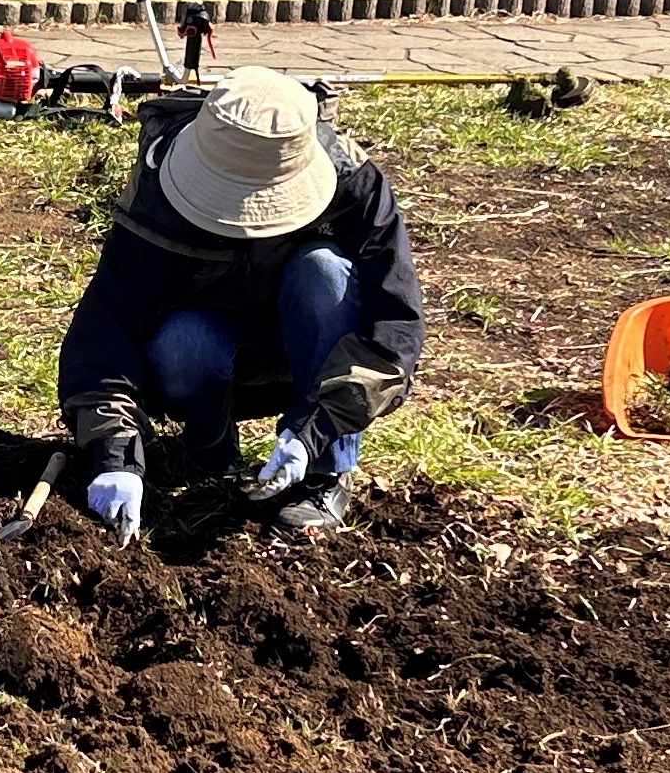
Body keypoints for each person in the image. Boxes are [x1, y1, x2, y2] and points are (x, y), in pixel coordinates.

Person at [56, 67, 424, 538]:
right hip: (207, 352)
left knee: (325, 273)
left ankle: (326, 472)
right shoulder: (156, 190)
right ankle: (210, 456)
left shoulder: (355, 185)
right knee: (184, 342)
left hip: (309, 355)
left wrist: (318, 428)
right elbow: (106, 329)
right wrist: (115, 456)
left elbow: (392, 327)